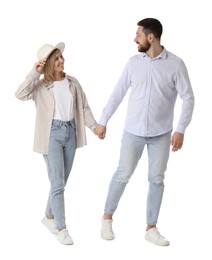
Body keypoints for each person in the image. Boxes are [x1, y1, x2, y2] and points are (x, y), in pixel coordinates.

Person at [95, 18, 194, 246]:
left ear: (150, 38)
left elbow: (188, 97)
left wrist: (181, 129)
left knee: (156, 179)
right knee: (123, 174)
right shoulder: (133, 63)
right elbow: (117, 93)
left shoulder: (176, 64)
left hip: (161, 134)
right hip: (133, 132)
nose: (135, 39)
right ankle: (107, 218)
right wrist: (103, 120)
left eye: (138, 35)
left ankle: (151, 228)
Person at [15, 42, 97, 245]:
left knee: (60, 183)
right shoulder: (40, 86)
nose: (61, 61)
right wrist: (34, 73)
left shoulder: (73, 82)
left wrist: (94, 127)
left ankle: (48, 216)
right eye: (56, 58)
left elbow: (84, 107)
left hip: (71, 133)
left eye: (61, 57)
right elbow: (19, 94)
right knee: (58, 184)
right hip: (51, 135)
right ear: (48, 64)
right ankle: (62, 228)